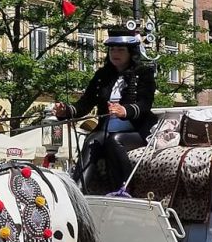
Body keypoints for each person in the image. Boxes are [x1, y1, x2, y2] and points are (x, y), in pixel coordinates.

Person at [53, 29, 156, 195]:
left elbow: (145, 104)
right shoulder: (102, 75)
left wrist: (125, 110)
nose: (115, 53)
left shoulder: (144, 73)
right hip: (105, 130)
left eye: (121, 50)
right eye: (112, 49)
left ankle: (125, 188)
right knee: (93, 139)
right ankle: (77, 191)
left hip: (136, 131)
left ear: (131, 52)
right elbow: (84, 104)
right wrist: (66, 110)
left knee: (114, 140)